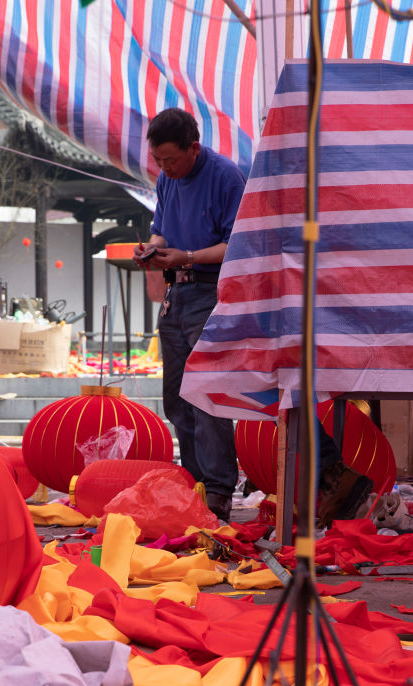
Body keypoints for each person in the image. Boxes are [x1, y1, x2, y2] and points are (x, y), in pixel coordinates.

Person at [134, 108, 244, 521]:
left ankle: (218, 491)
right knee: (177, 397)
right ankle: (192, 483)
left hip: (211, 292)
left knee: (206, 396)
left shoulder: (225, 176)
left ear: (193, 148)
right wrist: (152, 250)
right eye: (159, 161)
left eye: (171, 160)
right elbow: (161, 229)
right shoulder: (167, 180)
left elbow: (238, 245)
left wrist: (190, 257)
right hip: (176, 294)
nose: (165, 168)